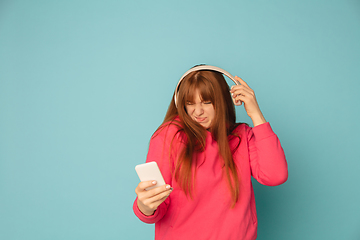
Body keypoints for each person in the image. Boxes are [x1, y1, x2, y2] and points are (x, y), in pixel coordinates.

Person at [133, 66, 288, 240]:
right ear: (180, 102)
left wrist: (255, 114)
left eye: (206, 102)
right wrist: (145, 206)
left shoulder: (242, 136)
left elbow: (275, 176)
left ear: (223, 100)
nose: (198, 112)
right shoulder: (169, 135)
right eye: (190, 103)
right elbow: (156, 207)